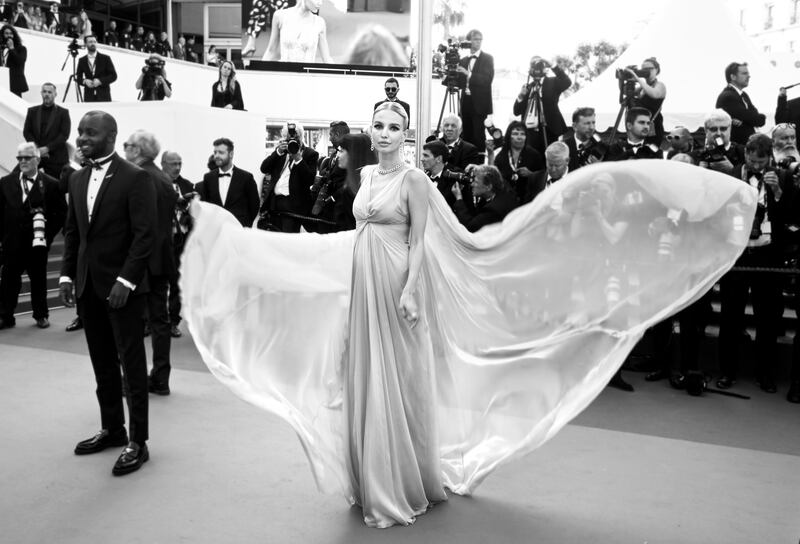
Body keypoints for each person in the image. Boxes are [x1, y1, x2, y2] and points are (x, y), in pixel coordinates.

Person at [179, 102, 754, 528]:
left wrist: (409, 292)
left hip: (397, 281)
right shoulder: (368, 176)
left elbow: (423, 242)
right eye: (376, 124)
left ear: (406, 134)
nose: (382, 133)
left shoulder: (414, 180)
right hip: (363, 277)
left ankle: (398, 484)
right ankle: (369, 475)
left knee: (395, 381)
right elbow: (359, 232)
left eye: (392, 126)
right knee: (364, 375)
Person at [59, 111, 157, 476]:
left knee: (132, 368)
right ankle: (113, 429)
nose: (82, 138)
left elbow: (145, 235)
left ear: (111, 136)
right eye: (80, 132)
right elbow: (74, 232)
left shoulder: (136, 178)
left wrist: (126, 281)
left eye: (90, 133)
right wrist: (68, 275)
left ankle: (139, 441)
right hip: (88, 287)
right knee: (102, 364)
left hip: (124, 291)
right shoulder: (76, 178)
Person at [716, 134, 794, 394]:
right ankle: (726, 372)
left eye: (761, 161)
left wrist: (777, 192)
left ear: (769, 157)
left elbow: (791, 217)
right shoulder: (731, 174)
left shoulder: (781, 177)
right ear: (746, 155)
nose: (757, 166)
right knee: (730, 317)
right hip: (737, 255)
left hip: (768, 257)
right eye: (752, 160)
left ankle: (765, 374)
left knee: (767, 319)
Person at [123, 131, 176, 396]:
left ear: (139, 150)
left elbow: (138, 226)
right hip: (161, 260)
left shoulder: (139, 177)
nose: (124, 149)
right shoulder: (164, 179)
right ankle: (160, 377)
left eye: (128, 145)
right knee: (159, 322)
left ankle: (137, 380)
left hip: (142, 262)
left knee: (131, 323)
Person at [0, 143, 66, 330]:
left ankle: (41, 315)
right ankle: (5, 316)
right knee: (8, 280)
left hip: (37, 244)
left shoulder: (52, 184)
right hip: (11, 242)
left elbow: (61, 213)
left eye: (27, 158)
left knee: (38, 280)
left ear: (37, 159)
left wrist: (47, 235)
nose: (22, 161)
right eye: (19, 158)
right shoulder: (5, 182)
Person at [259, 122, 316, 232]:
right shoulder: (281, 152)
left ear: (300, 136)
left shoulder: (310, 154)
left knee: (287, 241)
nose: (291, 140)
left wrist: (298, 159)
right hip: (274, 203)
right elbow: (264, 168)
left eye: (295, 137)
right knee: (274, 238)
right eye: (287, 137)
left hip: (293, 205)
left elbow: (309, 180)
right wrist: (278, 152)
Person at [160, 150, 193, 337]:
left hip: (181, 241)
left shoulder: (187, 185)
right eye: (174, 164)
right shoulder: (153, 183)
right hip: (160, 241)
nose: (178, 167)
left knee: (177, 282)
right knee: (157, 282)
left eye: (180, 163)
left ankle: (173, 321)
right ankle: (151, 320)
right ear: (163, 163)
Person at [513, 55, 572, 155]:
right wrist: (521, 96)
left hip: (550, 129)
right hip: (530, 132)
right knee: (533, 159)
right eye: (533, 66)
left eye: (539, 66)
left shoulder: (553, 82)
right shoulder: (528, 87)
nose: (536, 70)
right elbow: (516, 112)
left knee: (550, 157)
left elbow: (567, 82)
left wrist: (553, 66)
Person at [196, 138, 259, 228]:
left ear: (231, 154)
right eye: (215, 152)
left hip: (238, 229)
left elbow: (254, 205)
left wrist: (245, 225)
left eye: (221, 152)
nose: (216, 156)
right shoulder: (208, 177)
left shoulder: (246, 177)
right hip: (215, 230)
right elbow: (206, 205)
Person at [487, 120, 544, 203]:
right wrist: (490, 155)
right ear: (509, 136)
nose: (519, 137)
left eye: (522, 134)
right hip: (505, 200)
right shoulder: (501, 155)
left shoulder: (534, 155)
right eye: (515, 134)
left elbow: (543, 178)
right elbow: (491, 177)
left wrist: (531, 174)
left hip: (528, 200)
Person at [22, 83, 71, 178]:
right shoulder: (32, 111)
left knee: (56, 188)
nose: (47, 94)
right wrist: (37, 149)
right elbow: (27, 132)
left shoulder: (63, 112)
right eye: (44, 91)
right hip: (35, 155)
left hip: (56, 158)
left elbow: (64, 135)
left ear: (55, 94)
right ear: (41, 93)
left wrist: (47, 148)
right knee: (16, 176)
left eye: (49, 92)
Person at [456, 29, 494, 152]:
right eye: (475, 39)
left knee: (478, 135)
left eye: (480, 39)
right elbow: (459, 83)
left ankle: (479, 165)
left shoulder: (488, 58)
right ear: (468, 41)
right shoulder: (463, 60)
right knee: (466, 134)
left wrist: (468, 74)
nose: (478, 42)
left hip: (480, 104)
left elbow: (487, 80)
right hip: (465, 101)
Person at [451, 164, 517, 232]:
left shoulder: (492, 210)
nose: (471, 184)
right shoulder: (504, 189)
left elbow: (470, 226)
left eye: (476, 182)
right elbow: (495, 176)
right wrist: (480, 169)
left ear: (488, 187)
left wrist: (459, 198)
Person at [263, 0, 332, 63]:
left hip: (307, 75)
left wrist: (340, 73)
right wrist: (257, 72)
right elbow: (271, 51)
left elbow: (326, 59)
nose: (320, 3)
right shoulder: (280, 16)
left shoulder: (319, 23)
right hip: (284, 73)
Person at [333, 132, 376, 232]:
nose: (338, 155)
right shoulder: (373, 184)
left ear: (354, 155)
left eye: (342, 151)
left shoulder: (350, 191)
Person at [716, 62, 766, 145]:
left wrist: (753, 119)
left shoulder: (743, 95)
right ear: (733, 77)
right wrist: (759, 117)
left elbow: (757, 119)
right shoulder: (728, 97)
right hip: (738, 147)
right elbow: (755, 119)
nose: (748, 76)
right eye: (744, 73)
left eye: (748, 73)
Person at [420, 139, 473, 214]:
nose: (421, 159)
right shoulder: (424, 177)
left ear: (438, 159)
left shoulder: (456, 177)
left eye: (426, 155)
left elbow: (466, 209)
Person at [628, 57, 667, 146]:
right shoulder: (642, 88)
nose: (647, 71)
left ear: (656, 70)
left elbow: (654, 94)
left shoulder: (660, 85)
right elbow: (628, 95)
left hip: (653, 127)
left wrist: (638, 79)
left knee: (651, 153)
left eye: (650, 69)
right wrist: (624, 79)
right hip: (639, 127)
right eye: (644, 69)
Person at [77, 35, 118, 102]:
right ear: (85, 44)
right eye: (90, 42)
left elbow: (113, 76)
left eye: (94, 42)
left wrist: (100, 81)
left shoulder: (106, 58)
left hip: (104, 96)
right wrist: (85, 81)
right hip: (89, 96)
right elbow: (78, 77)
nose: (93, 43)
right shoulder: (82, 60)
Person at [562, 107, 604, 171]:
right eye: (587, 123)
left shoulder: (601, 147)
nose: (592, 127)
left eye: (593, 122)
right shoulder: (563, 147)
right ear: (575, 126)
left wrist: (599, 167)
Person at [1, 24, 28, 96]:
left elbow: (20, 62)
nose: (9, 35)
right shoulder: (1, 48)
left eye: (11, 33)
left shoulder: (21, 49)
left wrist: (12, 48)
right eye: (6, 33)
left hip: (15, 83)